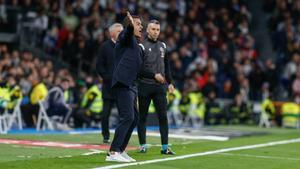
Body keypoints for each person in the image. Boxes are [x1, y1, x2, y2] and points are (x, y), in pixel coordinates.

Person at [106, 11, 143, 163]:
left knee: (134, 119)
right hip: (123, 83)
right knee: (127, 117)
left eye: (141, 24)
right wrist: (129, 26)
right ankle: (113, 152)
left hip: (132, 85)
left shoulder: (135, 44)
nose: (141, 26)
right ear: (130, 25)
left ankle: (120, 150)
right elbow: (127, 33)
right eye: (138, 24)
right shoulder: (124, 37)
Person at [137, 20, 175, 155]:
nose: (155, 32)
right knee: (142, 117)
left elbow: (167, 66)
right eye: (153, 29)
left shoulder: (163, 46)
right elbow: (139, 69)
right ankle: (143, 145)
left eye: (158, 29)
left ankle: (165, 147)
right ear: (147, 30)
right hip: (145, 86)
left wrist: (170, 82)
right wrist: (154, 75)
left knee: (163, 117)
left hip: (160, 87)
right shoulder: (141, 46)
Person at [96, 23, 124, 143]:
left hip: (121, 85)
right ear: (112, 33)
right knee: (105, 113)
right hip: (108, 85)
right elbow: (99, 66)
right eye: (118, 31)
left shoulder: (125, 46)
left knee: (123, 113)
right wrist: (107, 77)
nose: (121, 33)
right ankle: (105, 135)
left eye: (122, 31)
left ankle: (121, 135)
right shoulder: (104, 47)